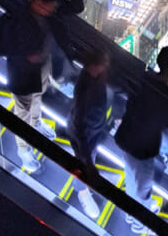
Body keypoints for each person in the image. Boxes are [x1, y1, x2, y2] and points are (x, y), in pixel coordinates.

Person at [0, 0, 84, 173]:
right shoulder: (15, 19)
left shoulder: (50, 11)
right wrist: (25, 55)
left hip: (43, 67)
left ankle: (36, 121)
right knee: (23, 111)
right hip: (22, 75)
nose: (54, 11)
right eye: (51, 7)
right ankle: (23, 150)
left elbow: (76, 7)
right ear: (39, 3)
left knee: (37, 97)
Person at [115, 46, 168, 210]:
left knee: (130, 173)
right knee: (143, 183)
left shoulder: (142, 79)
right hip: (144, 146)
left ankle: (131, 207)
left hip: (127, 134)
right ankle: (139, 218)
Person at [68, 48, 110, 220]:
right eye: (103, 66)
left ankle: (84, 185)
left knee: (87, 158)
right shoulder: (85, 91)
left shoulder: (96, 77)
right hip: (85, 134)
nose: (105, 69)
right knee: (83, 162)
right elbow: (79, 128)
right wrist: (89, 165)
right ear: (93, 66)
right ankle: (82, 192)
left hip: (93, 129)